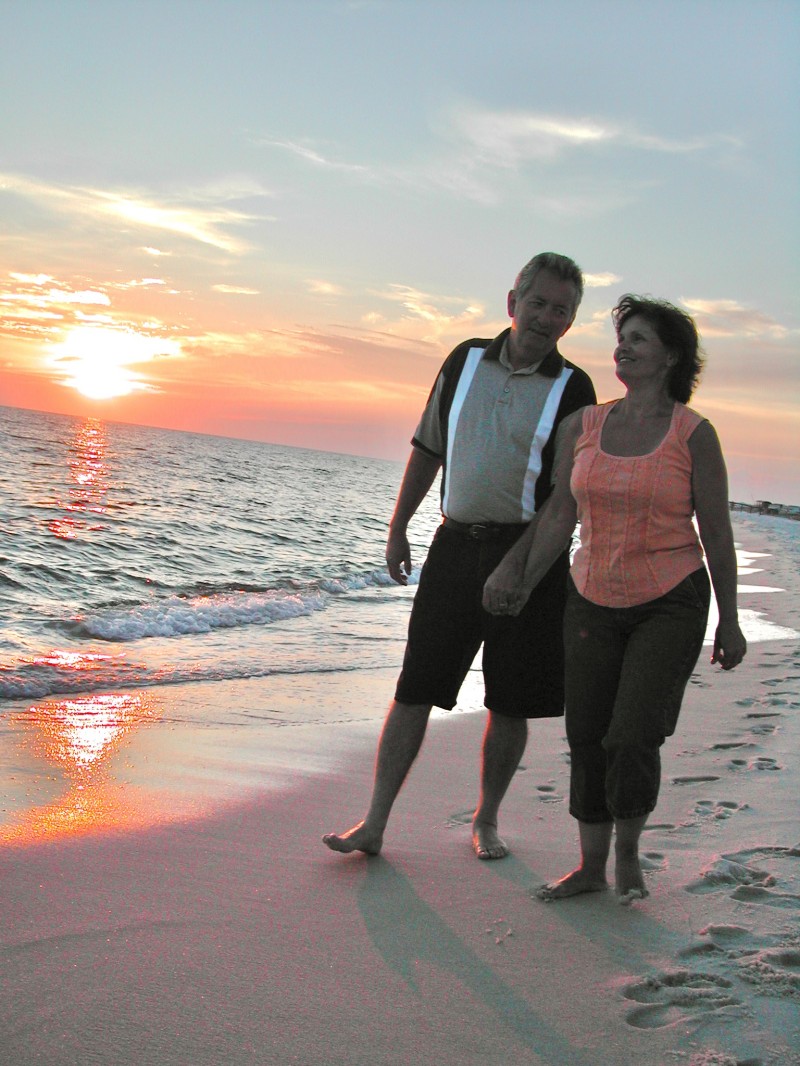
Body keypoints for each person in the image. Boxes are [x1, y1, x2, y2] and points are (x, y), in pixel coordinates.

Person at [322, 252, 596, 860]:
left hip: (530, 558)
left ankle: (487, 820)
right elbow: (427, 447)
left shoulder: (574, 387)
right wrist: (398, 528)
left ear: (571, 321)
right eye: (538, 303)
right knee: (415, 686)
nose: (547, 318)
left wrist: (520, 570)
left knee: (510, 700)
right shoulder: (464, 359)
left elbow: (563, 499)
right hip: (454, 547)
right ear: (512, 302)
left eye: (561, 310)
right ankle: (373, 823)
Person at [484, 294, 746, 901]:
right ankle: (590, 866)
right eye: (622, 336)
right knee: (587, 734)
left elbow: (716, 531)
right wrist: (521, 579)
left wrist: (729, 621)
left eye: (641, 338)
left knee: (631, 734)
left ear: (671, 356)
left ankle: (629, 854)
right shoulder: (588, 425)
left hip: (670, 598)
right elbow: (558, 517)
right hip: (591, 596)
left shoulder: (693, 434)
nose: (624, 346)